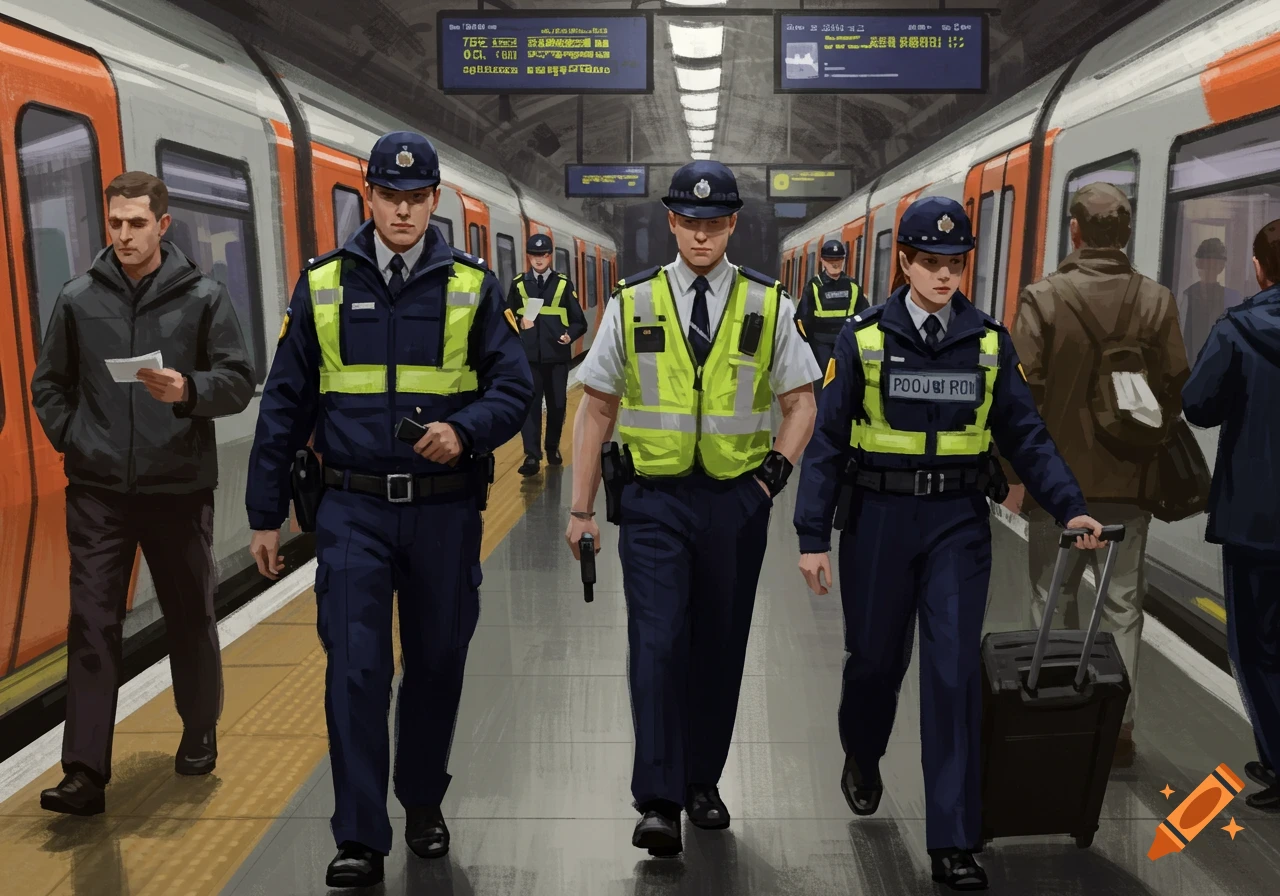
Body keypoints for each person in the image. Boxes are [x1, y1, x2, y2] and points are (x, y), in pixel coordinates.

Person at [244, 131, 532, 888]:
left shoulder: (473, 285)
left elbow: (514, 389)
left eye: (416, 198)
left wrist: (463, 431)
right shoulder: (324, 285)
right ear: (367, 196)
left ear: (434, 201)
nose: (402, 211)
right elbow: (284, 403)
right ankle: (361, 835)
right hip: (351, 510)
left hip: (443, 513)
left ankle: (423, 804)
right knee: (356, 670)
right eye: (389, 197)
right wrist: (264, 512)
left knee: (437, 662)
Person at [792, 196, 1104, 891]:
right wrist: (812, 536)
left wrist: (1070, 507)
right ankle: (863, 751)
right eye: (930, 263)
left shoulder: (989, 343)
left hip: (958, 524)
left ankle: (954, 839)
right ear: (903, 262)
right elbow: (827, 443)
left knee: (954, 674)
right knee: (874, 663)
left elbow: (1026, 436)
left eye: (954, 264)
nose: (942, 277)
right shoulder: (863, 338)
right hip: (878, 519)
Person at [564, 161, 820, 857]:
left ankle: (702, 782)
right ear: (671, 224)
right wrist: (581, 508)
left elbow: (802, 404)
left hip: (735, 505)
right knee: (655, 644)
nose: (701, 233)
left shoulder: (770, 305)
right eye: (689, 221)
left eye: (714, 222)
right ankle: (658, 799)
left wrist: (769, 480)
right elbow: (597, 408)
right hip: (651, 501)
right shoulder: (633, 301)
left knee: (719, 645)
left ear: (731, 225)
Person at [30, 170, 254, 816]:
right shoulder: (77, 300)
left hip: (178, 488)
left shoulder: (203, 298)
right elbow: (49, 386)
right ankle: (85, 772)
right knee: (93, 624)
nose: (124, 236)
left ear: (163, 226)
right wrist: (76, 438)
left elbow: (238, 379)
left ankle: (199, 728)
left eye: (136, 224)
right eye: (115, 224)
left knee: (189, 616)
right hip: (99, 491)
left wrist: (189, 392)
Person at [1006, 182, 1189, 765]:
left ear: (1075, 230)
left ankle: (1059, 710)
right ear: (1126, 233)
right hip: (1129, 483)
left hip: (1055, 488)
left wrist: (1015, 475)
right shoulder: (1156, 301)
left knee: (1052, 596)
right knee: (1123, 605)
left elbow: (1020, 394)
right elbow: (1176, 387)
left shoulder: (1042, 299)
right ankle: (1118, 727)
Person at [1182, 218, 1280, 813]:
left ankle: (1277, 757)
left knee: (1259, 645)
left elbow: (1197, 405)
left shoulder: (1237, 328)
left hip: (1255, 516)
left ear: (1259, 269)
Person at [508, 233, 587, 475]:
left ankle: (552, 447)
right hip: (529, 357)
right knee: (530, 407)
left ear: (550, 256)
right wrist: (520, 324)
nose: (538, 259)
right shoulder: (519, 284)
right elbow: (507, 317)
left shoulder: (563, 284)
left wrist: (569, 336)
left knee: (557, 406)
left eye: (542, 255)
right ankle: (532, 456)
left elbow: (579, 322)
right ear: (528, 257)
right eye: (534, 255)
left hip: (557, 356)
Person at [796, 238, 868, 400]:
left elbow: (864, 316)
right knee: (823, 386)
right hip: (820, 345)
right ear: (822, 261)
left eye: (838, 260)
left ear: (843, 260)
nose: (835, 264)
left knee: (846, 383)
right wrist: (810, 345)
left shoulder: (853, 286)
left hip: (846, 342)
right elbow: (801, 319)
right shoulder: (814, 286)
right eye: (830, 260)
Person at [1180, 237, 1243, 365]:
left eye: (1214, 264)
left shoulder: (1232, 297)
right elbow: (1180, 336)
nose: (1209, 268)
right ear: (1199, 264)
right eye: (1206, 263)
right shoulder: (1188, 295)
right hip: (1193, 364)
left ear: (1221, 267)